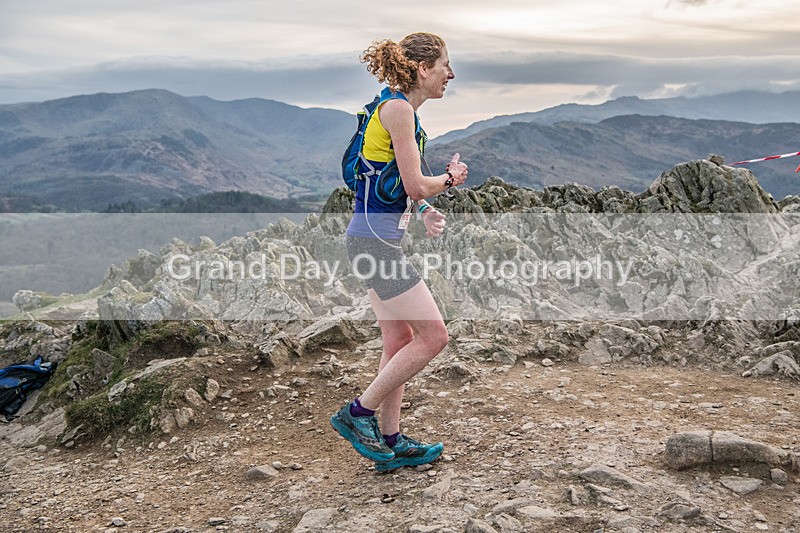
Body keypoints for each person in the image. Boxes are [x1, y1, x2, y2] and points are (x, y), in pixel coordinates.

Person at [330, 32, 469, 471]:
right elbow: (415, 183)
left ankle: (390, 443)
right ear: (423, 69)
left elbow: (391, 182)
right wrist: (449, 180)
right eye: (445, 65)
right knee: (435, 336)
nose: (450, 73)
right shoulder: (399, 111)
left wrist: (424, 210)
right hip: (375, 245)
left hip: (370, 239)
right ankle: (358, 413)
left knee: (399, 340)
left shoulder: (394, 107)